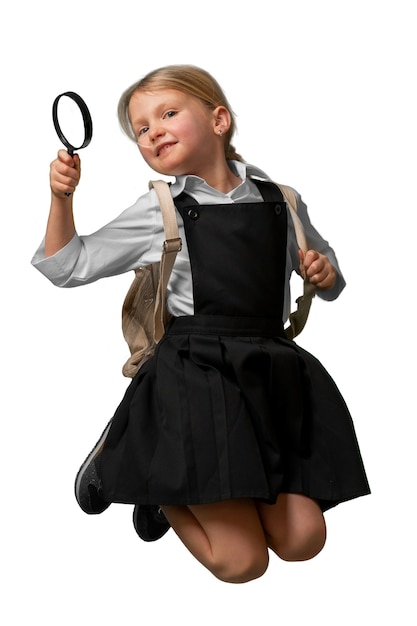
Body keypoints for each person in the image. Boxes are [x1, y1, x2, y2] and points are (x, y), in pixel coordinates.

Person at [32, 64, 370, 584]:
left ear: (219, 120)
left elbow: (330, 277)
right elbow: (66, 264)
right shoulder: (161, 209)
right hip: (195, 380)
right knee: (243, 563)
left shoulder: (283, 200)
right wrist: (62, 198)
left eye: (167, 113)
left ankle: (175, 485)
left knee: (304, 540)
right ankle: (154, 481)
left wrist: (324, 272)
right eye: (141, 128)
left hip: (269, 377)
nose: (153, 131)